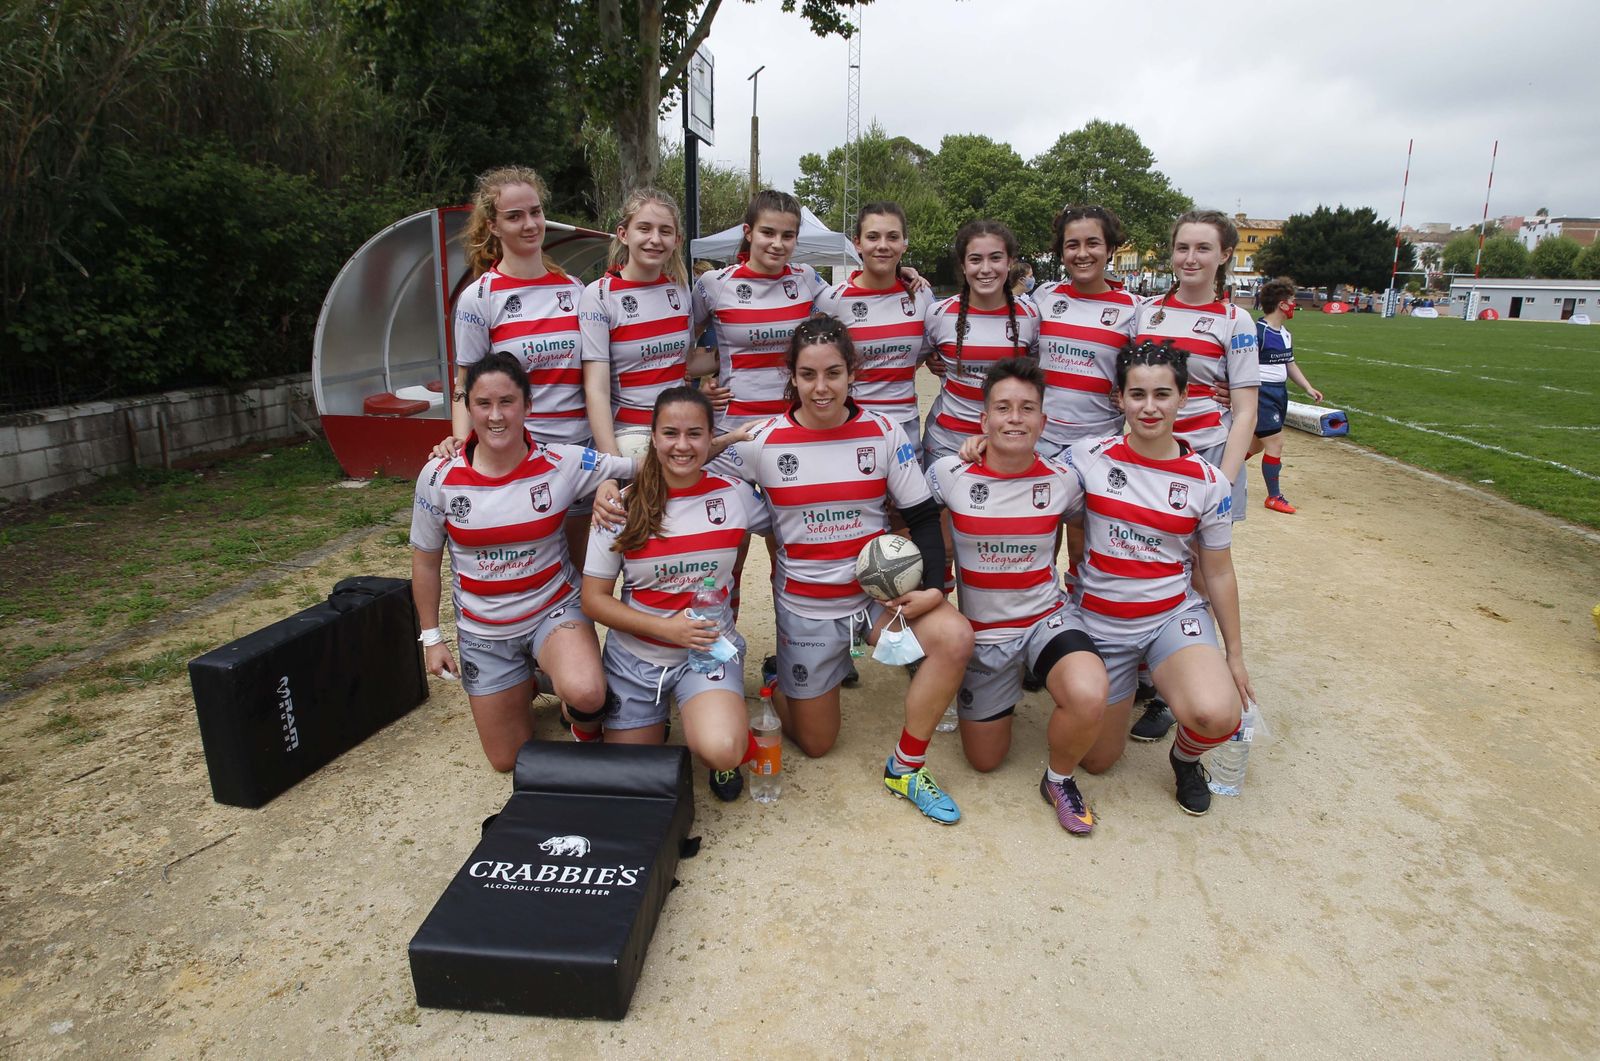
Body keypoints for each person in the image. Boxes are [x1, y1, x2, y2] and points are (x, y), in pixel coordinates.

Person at [715, 315, 974, 824]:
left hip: (870, 605)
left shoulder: (882, 432)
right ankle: (784, 681)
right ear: (790, 376)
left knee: (955, 637)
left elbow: (922, 515)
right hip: (806, 610)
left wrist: (935, 591)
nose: (821, 387)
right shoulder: (760, 442)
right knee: (816, 745)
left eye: (833, 373)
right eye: (808, 375)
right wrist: (621, 489)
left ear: (852, 372)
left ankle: (905, 766)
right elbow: (689, 472)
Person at [410, 352, 636, 772]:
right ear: (468, 407)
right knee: (506, 761)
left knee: (588, 694)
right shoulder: (438, 475)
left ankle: (580, 722)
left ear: (528, 406)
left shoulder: (560, 463)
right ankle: (530, 678)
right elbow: (425, 563)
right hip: (484, 632)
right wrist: (431, 639)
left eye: (507, 402)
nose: (496, 416)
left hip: (552, 611)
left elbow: (647, 463)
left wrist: (725, 445)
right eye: (483, 403)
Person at [1072, 341, 1255, 816]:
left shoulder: (1209, 482)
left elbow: (1217, 569)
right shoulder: (1088, 456)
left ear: (1184, 397)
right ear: (1119, 399)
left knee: (1216, 713)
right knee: (1096, 762)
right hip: (1101, 623)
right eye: (1137, 395)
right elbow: (1028, 478)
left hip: (1168, 618)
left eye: (1161, 394)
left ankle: (1185, 757)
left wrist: (1234, 655)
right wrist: (981, 444)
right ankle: (1126, 688)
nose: (1149, 407)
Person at [927, 357, 1108, 834]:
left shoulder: (1064, 480)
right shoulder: (950, 473)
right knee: (984, 760)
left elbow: (1101, 524)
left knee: (1089, 692)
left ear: (1043, 421)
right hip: (983, 636)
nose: (1015, 418)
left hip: (1044, 619)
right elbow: (909, 519)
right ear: (983, 420)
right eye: (1003, 408)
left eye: (1027, 409)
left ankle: (1059, 779)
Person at [580, 387, 768, 800]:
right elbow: (593, 600)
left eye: (695, 434)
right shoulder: (620, 508)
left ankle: (722, 749)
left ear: (710, 436)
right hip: (637, 659)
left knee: (722, 749)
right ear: (653, 437)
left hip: (708, 654)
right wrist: (666, 629)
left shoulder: (735, 495)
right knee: (630, 786)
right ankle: (628, 716)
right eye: (670, 433)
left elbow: (793, 521)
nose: (682, 445)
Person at [441, 166, 621, 564]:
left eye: (535, 212)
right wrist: (462, 446)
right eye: (514, 216)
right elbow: (465, 385)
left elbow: (598, 382)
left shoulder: (577, 291)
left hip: (580, 455)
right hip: (522, 459)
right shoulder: (478, 299)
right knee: (527, 569)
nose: (529, 224)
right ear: (493, 225)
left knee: (581, 576)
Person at [1132, 210, 1259, 526]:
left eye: (1203, 248)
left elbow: (1246, 412)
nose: (1190, 258)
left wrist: (1224, 482)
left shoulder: (1235, 320)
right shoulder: (1143, 312)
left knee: (1205, 569)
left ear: (1224, 254)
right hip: (1147, 454)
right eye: (1182, 248)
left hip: (1209, 454)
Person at [579, 188, 717, 457]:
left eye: (665, 231)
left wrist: (741, 351)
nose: (655, 239)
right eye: (644, 228)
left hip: (680, 434)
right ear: (623, 234)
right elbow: (595, 389)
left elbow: (685, 362)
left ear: (677, 240)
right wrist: (612, 463)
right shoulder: (598, 294)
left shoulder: (679, 290)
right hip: (628, 438)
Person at [692, 190, 828, 429]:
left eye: (787, 236)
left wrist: (900, 274)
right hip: (732, 426)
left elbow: (852, 299)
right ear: (748, 232)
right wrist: (692, 394)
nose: (777, 244)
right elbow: (676, 349)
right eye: (767, 232)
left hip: (794, 424)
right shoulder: (714, 283)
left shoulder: (806, 277)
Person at [813, 201, 935, 464]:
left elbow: (928, 353)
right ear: (857, 243)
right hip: (850, 429)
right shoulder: (832, 299)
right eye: (872, 237)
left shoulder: (922, 296)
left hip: (906, 430)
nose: (882, 245)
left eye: (892, 237)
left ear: (904, 244)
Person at [922, 220, 1040, 463]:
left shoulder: (1031, 316)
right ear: (963, 266)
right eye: (975, 260)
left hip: (1004, 446)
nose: (986, 269)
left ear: (1010, 263)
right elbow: (913, 359)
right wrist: (930, 360)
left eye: (995, 258)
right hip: (946, 445)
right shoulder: (938, 314)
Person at [1249, 277, 1325, 514]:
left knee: (1256, 444)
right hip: (1262, 393)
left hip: (1279, 393)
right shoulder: (1257, 332)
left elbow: (1289, 363)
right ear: (1282, 304)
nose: (1294, 306)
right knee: (1275, 442)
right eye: (1292, 301)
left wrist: (1307, 387)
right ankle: (1274, 496)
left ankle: (1217, 475)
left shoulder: (1285, 333)